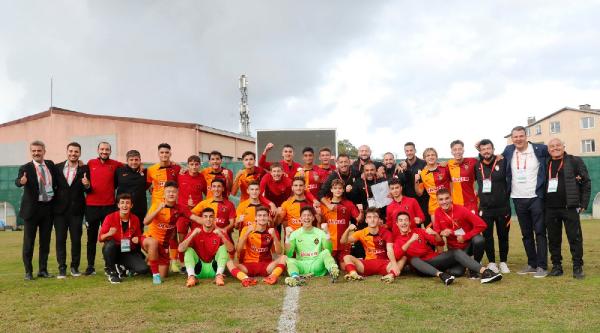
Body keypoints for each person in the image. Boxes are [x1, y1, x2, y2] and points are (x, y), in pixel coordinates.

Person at [393, 212, 502, 285]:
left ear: (410, 221)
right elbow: (397, 255)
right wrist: (410, 240)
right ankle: (441, 275)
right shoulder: (397, 239)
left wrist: (435, 234)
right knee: (414, 260)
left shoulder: (419, 231)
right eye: (401, 221)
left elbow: (439, 242)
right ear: (397, 224)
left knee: (458, 267)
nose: (404, 223)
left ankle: (486, 272)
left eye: (406, 220)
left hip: (434, 260)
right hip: (420, 267)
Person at [502, 126, 549, 278]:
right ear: (512, 138)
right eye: (515, 137)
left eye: (521, 136)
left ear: (526, 136)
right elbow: (491, 158)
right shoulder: (509, 151)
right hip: (517, 198)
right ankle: (532, 264)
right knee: (526, 234)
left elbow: (557, 154)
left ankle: (542, 266)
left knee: (540, 232)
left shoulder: (540, 149)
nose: (518, 139)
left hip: (535, 197)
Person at [545, 138, 590, 279]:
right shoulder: (545, 163)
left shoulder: (574, 160)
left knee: (575, 238)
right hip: (550, 208)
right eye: (552, 146)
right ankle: (557, 266)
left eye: (558, 145)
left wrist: (583, 203)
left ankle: (577, 267)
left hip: (569, 207)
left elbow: (586, 182)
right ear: (548, 149)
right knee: (553, 239)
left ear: (564, 146)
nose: (555, 148)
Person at [142, 181, 202, 285]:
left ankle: (145, 263)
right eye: (169, 192)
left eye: (174, 192)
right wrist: (159, 209)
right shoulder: (156, 204)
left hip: (164, 246)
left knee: (164, 274)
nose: (171, 194)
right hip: (149, 240)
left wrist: (208, 221)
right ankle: (155, 275)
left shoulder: (180, 208)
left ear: (177, 194)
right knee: (153, 244)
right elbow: (146, 221)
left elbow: (195, 218)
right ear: (164, 194)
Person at [16, 140, 58, 280]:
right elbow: (18, 181)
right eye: (33, 151)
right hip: (32, 210)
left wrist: (81, 163)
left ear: (44, 151)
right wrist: (20, 182)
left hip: (47, 209)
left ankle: (43, 270)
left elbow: (64, 168)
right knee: (29, 242)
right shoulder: (25, 168)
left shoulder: (51, 165)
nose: (36, 153)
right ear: (31, 152)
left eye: (39, 150)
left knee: (45, 242)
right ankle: (28, 272)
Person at [84, 141, 123, 275]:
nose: (104, 152)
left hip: (109, 207)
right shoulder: (90, 163)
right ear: (98, 150)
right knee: (91, 238)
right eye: (102, 149)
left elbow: (130, 166)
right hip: (91, 207)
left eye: (107, 150)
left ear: (110, 151)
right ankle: (90, 266)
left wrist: (141, 165)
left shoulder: (115, 164)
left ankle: (109, 266)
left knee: (110, 238)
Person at [53, 142, 90, 278]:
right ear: (67, 151)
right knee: (60, 240)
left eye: (76, 152)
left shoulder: (85, 169)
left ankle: (75, 267)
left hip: (77, 210)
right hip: (60, 211)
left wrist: (87, 185)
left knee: (76, 240)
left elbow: (90, 189)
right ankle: (62, 268)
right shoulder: (57, 168)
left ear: (79, 153)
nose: (73, 154)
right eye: (71, 151)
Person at [432, 189, 487, 277]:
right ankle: (465, 263)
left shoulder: (461, 210)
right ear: (437, 201)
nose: (444, 202)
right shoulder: (437, 212)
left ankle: (474, 268)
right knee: (456, 272)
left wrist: (465, 237)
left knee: (479, 240)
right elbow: (438, 231)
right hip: (454, 249)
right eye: (441, 199)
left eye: (446, 198)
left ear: (451, 198)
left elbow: (482, 225)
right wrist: (442, 232)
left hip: (468, 246)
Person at [227, 206, 287, 286]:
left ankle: (273, 276)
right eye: (259, 215)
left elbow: (279, 252)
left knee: (284, 257)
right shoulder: (247, 229)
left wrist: (274, 237)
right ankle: (245, 279)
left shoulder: (272, 231)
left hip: (266, 266)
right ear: (255, 218)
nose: (262, 218)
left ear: (268, 217)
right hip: (248, 265)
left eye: (264, 215)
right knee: (229, 263)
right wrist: (247, 233)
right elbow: (238, 249)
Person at [476, 139, 511, 274]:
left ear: (493, 149)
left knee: (503, 236)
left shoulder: (503, 161)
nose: (486, 151)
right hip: (485, 208)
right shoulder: (476, 165)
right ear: (480, 151)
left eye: (488, 148)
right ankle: (491, 262)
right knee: (487, 237)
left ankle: (503, 262)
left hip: (503, 207)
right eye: (483, 149)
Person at [340, 208, 401, 283]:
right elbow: (343, 241)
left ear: (379, 219)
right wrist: (348, 229)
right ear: (366, 220)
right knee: (346, 257)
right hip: (367, 264)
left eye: (375, 217)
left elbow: (390, 250)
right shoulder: (361, 232)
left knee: (402, 259)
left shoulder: (387, 233)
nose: (372, 220)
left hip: (384, 264)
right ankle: (353, 274)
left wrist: (394, 265)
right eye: (369, 217)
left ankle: (390, 276)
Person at [98, 193, 148, 284]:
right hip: (114, 250)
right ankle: (112, 272)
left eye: (127, 203)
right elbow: (100, 238)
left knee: (143, 269)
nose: (125, 205)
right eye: (122, 203)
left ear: (131, 205)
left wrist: (138, 239)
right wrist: (109, 233)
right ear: (118, 205)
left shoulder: (135, 219)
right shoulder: (110, 218)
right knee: (109, 245)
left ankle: (121, 266)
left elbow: (139, 236)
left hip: (127, 251)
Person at [284, 206, 340, 286]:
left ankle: (333, 270)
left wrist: (327, 234)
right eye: (304, 215)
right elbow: (289, 254)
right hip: (302, 266)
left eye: (309, 215)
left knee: (326, 252)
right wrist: (287, 238)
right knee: (289, 260)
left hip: (317, 264)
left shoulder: (320, 232)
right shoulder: (294, 234)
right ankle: (295, 277)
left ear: (313, 218)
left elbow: (329, 250)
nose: (306, 217)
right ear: (300, 218)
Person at [179, 207, 234, 287]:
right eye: (205, 216)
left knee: (223, 248)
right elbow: (180, 249)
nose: (208, 219)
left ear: (214, 218)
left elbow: (231, 250)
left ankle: (219, 276)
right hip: (198, 268)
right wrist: (192, 235)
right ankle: (191, 277)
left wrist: (222, 236)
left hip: (214, 268)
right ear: (202, 218)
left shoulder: (219, 232)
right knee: (188, 250)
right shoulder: (195, 231)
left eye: (211, 216)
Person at [319, 179, 362, 266]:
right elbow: (321, 223)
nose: (337, 190)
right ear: (331, 190)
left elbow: (359, 219)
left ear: (343, 190)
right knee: (330, 266)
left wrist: (361, 210)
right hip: (329, 243)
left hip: (343, 243)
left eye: (340, 188)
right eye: (335, 188)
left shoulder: (348, 204)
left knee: (344, 267)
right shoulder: (325, 204)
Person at [415, 147, 451, 222]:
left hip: (447, 203)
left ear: (436, 157)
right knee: (437, 231)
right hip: (433, 206)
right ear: (424, 158)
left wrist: (447, 162)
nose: (430, 157)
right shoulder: (422, 173)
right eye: (428, 155)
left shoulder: (445, 168)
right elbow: (419, 193)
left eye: (433, 155)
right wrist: (416, 181)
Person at [115, 150, 148, 229]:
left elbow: (149, 185)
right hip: (123, 207)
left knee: (138, 232)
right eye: (131, 160)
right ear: (127, 161)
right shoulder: (119, 171)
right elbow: (114, 185)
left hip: (140, 208)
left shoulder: (145, 172)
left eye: (136, 160)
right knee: (122, 231)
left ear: (140, 160)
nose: (134, 162)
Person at [402, 142, 430, 226]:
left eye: (411, 150)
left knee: (426, 221)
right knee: (412, 224)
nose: (409, 152)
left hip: (423, 198)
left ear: (415, 150)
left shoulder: (423, 163)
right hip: (409, 199)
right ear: (405, 152)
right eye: (407, 151)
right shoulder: (402, 165)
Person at [447, 140, 478, 213]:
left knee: (474, 223)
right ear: (451, 152)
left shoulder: (472, 161)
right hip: (456, 203)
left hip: (471, 202)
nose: (457, 152)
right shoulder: (448, 164)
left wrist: (497, 156)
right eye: (455, 150)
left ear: (463, 150)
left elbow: (484, 163)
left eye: (460, 149)